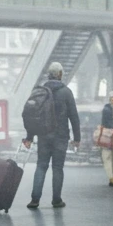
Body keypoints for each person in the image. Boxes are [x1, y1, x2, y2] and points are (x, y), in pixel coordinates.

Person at [22, 61, 80, 210]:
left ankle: (34, 199)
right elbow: (74, 116)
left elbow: (32, 115)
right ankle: (56, 200)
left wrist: (29, 137)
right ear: (60, 74)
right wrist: (77, 138)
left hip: (43, 135)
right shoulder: (66, 92)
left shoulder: (40, 91)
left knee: (41, 166)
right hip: (60, 136)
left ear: (49, 74)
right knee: (57, 168)